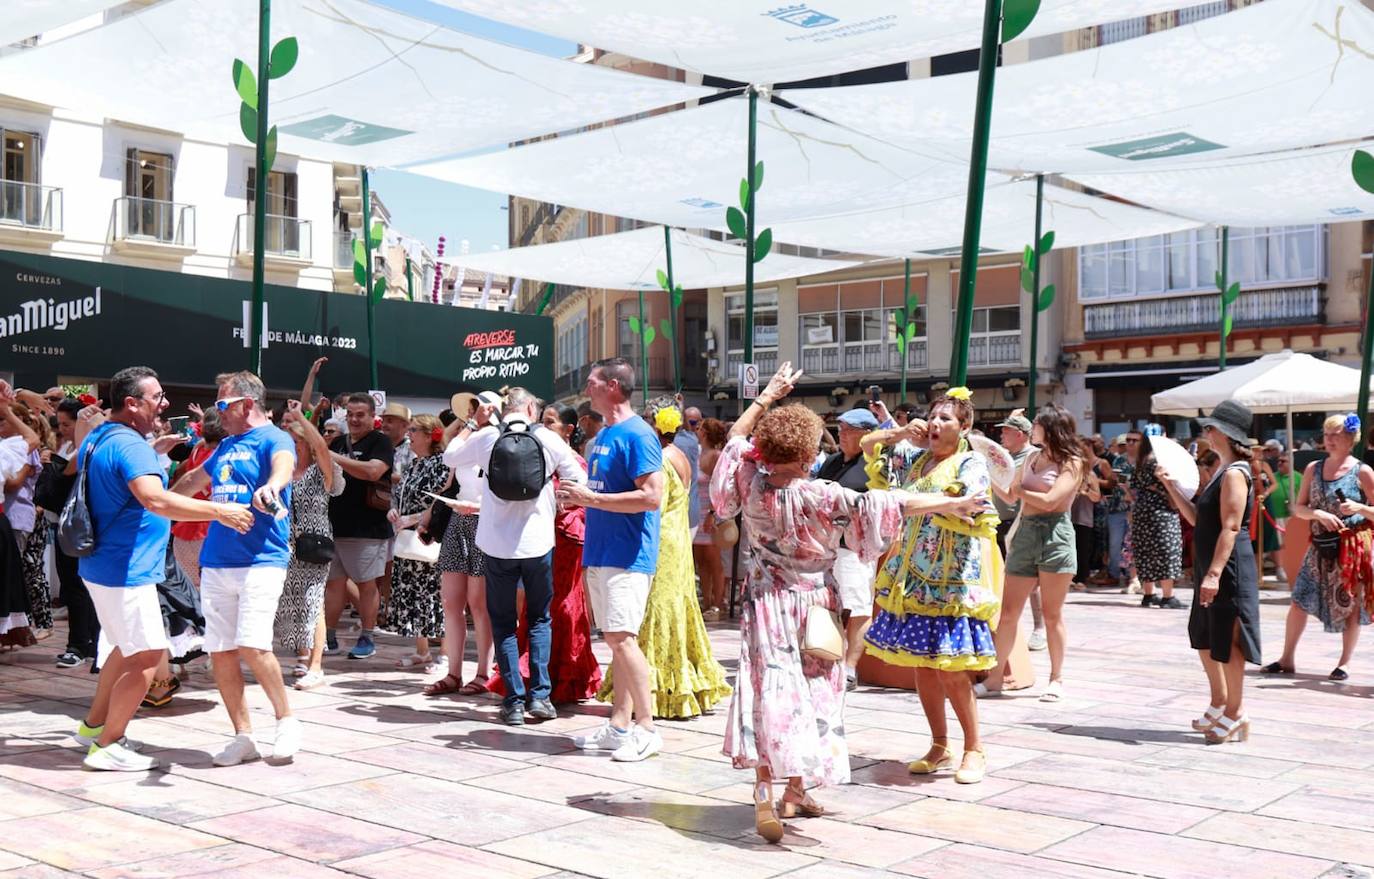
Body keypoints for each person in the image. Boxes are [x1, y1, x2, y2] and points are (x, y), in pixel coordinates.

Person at [712, 364, 967, 842]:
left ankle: (771, 789)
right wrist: (948, 504)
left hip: (764, 603)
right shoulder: (825, 493)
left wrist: (766, 397)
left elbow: (733, 440)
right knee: (811, 695)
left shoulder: (750, 484)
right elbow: (892, 503)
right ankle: (796, 785)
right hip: (814, 608)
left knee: (770, 691)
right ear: (810, 452)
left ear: (765, 450)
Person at [74, 367, 253, 771]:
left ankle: (93, 728)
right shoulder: (131, 446)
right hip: (125, 568)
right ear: (132, 403)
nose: (165, 402)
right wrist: (218, 510)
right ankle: (106, 746)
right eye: (156, 396)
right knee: (148, 657)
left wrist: (153, 448)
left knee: (123, 651)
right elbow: (155, 500)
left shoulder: (102, 435)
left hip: (104, 565)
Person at [863, 387, 1002, 784]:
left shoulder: (969, 462)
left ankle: (974, 747)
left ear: (964, 427)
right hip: (913, 577)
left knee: (953, 670)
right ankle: (940, 745)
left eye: (946, 419)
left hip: (951, 580)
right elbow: (869, 446)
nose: (937, 424)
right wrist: (900, 433)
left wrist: (942, 504)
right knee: (922, 667)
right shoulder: (915, 459)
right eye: (934, 417)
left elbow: (973, 503)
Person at [171, 371, 300, 765]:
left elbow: (284, 466)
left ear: (247, 404)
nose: (217, 412)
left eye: (223, 404)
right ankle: (243, 736)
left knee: (253, 645)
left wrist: (273, 487)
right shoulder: (225, 445)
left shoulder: (275, 438)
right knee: (221, 652)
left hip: (261, 559)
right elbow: (194, 479)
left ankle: (286, 721)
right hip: (217, 562)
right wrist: (153, 502)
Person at [448, 387, 586, 724]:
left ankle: (512, 701)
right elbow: (579, 478)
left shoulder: (487, 438)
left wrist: (471, 422)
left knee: (503, 622)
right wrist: (555, 499)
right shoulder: (548, 439)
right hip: (538, 542)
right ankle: (539, 697)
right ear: (529, 408)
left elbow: (449, 458)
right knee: (539, 618)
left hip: (496, 544)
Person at [596, 396, 731, 718]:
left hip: (661, 542)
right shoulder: (682, 454)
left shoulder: (657, 457)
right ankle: (680, 685)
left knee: (651, 612)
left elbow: (648, 499)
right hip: (678, 538)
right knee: (675, 607)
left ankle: (652, 695)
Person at [561, 358, 666, 761]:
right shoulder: (604, 434)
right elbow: (602, 490)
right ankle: (620, 724)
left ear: (614, 386)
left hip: (628, 553)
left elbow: (652, 496)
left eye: (593, 383)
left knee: (622, 638)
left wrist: (593, 499)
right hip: (602, 550)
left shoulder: (639, 435)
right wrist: (579, 495)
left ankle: (647, 727)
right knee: (616, 640)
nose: (587, 388)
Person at [1158, 400, 1260, 744]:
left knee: (1229, 640)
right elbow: (1198, 520)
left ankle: (1236, 711)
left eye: (1211, 428)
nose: (1206, 432)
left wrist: (1215, 574)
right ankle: (1221, 703)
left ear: (1225, 434)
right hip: (1211, 563)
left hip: (1227, 566)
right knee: (1204, 635)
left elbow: (1231, 527)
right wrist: (1172, 486)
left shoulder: (1234, 473)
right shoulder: (1222, 469)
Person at [485, 404, 603, 703]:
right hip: (539, 538)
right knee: (540, 612)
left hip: (564, 536)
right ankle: (533, 679)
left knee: (561, 608)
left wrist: (560, 502)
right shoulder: (531, 450)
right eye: (543, 421)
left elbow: (584, 497)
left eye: (551, 422)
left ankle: (558, 679)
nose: (544, 426)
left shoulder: (571, 460)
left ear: (568, 430)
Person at [982, 404, 1085, 702]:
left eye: (1036, 423)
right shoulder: (1032, 458)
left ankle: (1056, 679)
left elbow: (1052, 501)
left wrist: (1020, 491)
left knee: (1052, 615)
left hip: (1056, 534)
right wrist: (989, 475)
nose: (1032, 427)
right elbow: (1009, 494)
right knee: (1009, 613)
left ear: (1050, 428)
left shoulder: (1072, 462)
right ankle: (995, 678)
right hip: (1027, 531)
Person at [1264, 413, 1374, 681]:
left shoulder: (1363, 471)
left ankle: (1344, 663)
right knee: (1299, 600)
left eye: (1336, 434)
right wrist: (1317, 515)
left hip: (1350, 550)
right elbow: (1298, 508)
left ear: (1351, 438)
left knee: (1350, 605)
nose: (1330, 440)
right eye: (1327, 435)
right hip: (1319, 549)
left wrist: (1359, 507)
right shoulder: (1313, 468)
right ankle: (1286, 658)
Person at [426, 389, 502, 697]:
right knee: (450, 601)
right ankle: (453, 672)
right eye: (472, 407)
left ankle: (484, 671)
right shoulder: (470, 438)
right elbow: (449, 460)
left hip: (485, 521)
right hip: (459, 519)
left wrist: (482, 504)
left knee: (479, 603)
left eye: (480, 407)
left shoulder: (499, 437)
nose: (475, 412)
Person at [274, 404, 344, 691]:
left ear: (304, 442)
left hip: (313, 545)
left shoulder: (320, 471)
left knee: (313, 603)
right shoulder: (281, 472)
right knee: (289, 601)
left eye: (294, 440)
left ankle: (317, 666)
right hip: (284, 543)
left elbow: (323, 450)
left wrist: (304, 419)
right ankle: (302, 656)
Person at [816, 406, 883, 690]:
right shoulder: (831, 462)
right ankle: (829, 658)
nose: (842, 435)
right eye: (841, 430)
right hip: (826, 545)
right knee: (828, 605)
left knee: (857, 608)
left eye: (850, 431)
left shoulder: (875, 466)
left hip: (855, 547)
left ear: (867, 435)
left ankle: (850, 667)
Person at [324, 393, 395, 659]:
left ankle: (367, 636)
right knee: (334, 585)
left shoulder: (381, 441)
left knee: (367, 584)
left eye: (360, 414)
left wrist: (333, 456)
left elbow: (373, 472)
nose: (353, 419)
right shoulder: (339, 441)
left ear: (372, 416)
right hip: (334, 526)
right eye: (350, 414)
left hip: (368, 528)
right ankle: (329, 638)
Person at [386, 414, 448, 670]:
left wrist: (413, 518)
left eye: (413, 430)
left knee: (437, 593)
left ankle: (445, 653)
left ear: (429, 434)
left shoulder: (441, 463)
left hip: (429, 535)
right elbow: (400, 495)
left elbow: (440, 500)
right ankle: (422, 651)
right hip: (408, 536)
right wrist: (394, 511)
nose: (409, 435)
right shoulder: (414, 464)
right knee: (413, 593)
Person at [50, 398, 100, 667]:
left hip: (79, 526)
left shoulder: (87, 449)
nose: (63, 429)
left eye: (68, 424)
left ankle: (80, 645)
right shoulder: (67, 446)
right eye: (60, 425)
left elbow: (66, 474)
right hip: (63, 523)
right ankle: (85, 642)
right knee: (74, 587)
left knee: (79, 587)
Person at [992, 413, 1043, 650]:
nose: (1001, 434)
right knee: (1004, 576)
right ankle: (1009, 626)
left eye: (1006, 430)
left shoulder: (1032, 456)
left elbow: (1014, 492)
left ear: (1020, 434)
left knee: (1029, 580)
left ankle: (1039, 628)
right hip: (999, 521)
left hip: (1021, 521)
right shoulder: (1006, 456)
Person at [0, 385, 40, 650]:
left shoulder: (3, 449)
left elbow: (32, 439)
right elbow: (32, 438)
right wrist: (4, 408)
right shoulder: (3, 450)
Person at [169, 409, 227, 588]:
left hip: (184, 533)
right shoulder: (221, 457)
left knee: (190, 593)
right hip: (208, 533)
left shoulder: (197, 449)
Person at [1131, 426, 1185, 609]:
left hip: (1142, 510)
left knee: (1145, 550)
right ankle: (1168, 596)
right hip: (1161, 511)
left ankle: (1149, 594)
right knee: (1166, 550)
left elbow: (1134, 485)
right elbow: (1168, 487)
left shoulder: (1141, 461)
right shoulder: (1160, 461)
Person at [692, 418, 729, 620]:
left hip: (710, 512)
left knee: (714, 561)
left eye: (700, 428)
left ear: (705, 432)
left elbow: (720, 487)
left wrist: (713, 514)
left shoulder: (716, 455)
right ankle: (706, 601)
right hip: (697, 511)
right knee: (701, 562)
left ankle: (717, 603)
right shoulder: (696, 452)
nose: (696, 430)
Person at [1071, 438, 1104, 591]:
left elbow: (1096, 497)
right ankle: (1069, 578)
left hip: (1084, 518)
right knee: (1069, 548)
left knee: (1083, 550)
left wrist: (1085, 490)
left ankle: (1081, 578)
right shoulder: (1068, 473)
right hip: (1067, 517)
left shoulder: (1090, 475)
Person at [1105, 433, 1136, 592]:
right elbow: (1111, 482)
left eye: (1132, 441)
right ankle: (1115, 574)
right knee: (1116, 543)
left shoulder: (1145, 461)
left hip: (1135, 507)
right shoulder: (1118, 460)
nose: (1128, 445)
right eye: (1125, 442)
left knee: (1133, 544)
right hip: (1117, 506)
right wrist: (1113, 478)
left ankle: (1133, 577)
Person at [1265, 452, 1294, 584]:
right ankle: (1280, 568)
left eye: (1284, 461)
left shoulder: (1298, 477)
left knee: (1291, 543)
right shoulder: (1273, 477)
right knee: (1279, 544)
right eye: (1279, 461)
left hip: (1292, 516)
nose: (1280, 463)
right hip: (1275, 515)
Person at [678, 405, 704, 540]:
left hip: (684, 512)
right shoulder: (690, 441)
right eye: (693, 423)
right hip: (690, 511)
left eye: (698, 423)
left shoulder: (689, 442)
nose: (696, 426)